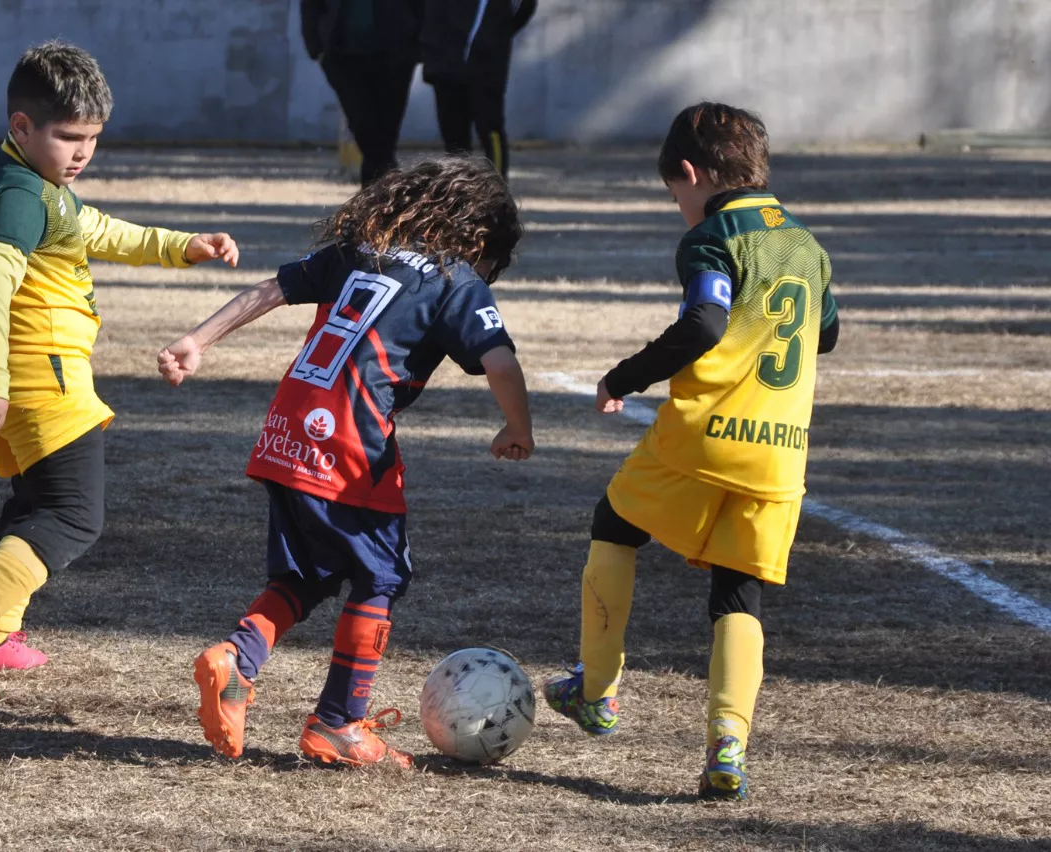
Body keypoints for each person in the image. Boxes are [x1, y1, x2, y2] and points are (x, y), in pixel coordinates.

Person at [158, 158, 534, 767]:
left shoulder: (367, 249)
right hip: (350, 440)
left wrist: (196, 340)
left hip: (288, 428)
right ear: (479, 240)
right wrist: (518, 428)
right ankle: (339, 722)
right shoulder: (459, 278)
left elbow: (269, 291)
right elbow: (501, 364)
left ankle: (237, 660)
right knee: (380, 576)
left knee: (310, 572)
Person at [0, 41, 239, 707]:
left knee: (35, 503)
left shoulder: (38, 184)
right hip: (42, 376)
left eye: (92, 138)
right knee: (74, 514)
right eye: (68, 137)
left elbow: (103, 231)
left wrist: (183, 247)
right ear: (21, 126)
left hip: (28, 373)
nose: (82, 152)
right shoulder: (23, 199)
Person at [542, 102, 840, 801]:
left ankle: (597, 689)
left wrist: (624, 376)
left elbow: (704, 321)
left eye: (673, 192)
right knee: (738, 594)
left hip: (704, 435)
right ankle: (728, 747)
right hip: (779, 453)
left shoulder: (713, 235)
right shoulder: (807, 246)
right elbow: (823, 336)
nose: (677, 205)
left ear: (690, 173)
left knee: (614, 524)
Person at [301, 0, 423, 187]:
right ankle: (385, 190)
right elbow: (310, 5)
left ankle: (375, 200)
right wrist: (316, 46)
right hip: (343, 54)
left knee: (386, 133)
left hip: (397, 53)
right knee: (363, 126)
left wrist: (419, 44)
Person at [421, 0, 536, 180]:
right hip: (444, 61)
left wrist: (496, 33)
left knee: (490, 131)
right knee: (454, 139)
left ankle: (498, 187)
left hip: (485, 65)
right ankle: (458, 193)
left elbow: (524, 7)